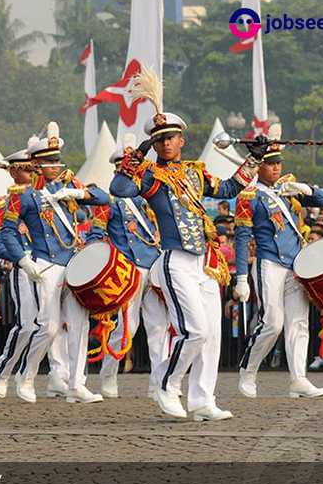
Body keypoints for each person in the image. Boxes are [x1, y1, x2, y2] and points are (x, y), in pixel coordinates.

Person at [110, 67, 263, 421]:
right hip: (174, 261)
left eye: (170, 137)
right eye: (159, 138)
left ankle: (202, 400)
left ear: (182, 141)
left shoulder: (195, 172)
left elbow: (226, 188)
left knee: (211, 335)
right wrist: (135, 160)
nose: (165, 143)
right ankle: (166, 385)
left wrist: (253, 159)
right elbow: (118, 191)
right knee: (192, 330)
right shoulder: (151, 176)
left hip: (205, 262)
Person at [0, 122, 110, 404]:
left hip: (71, 263)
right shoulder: (21, 195)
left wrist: (80, 194)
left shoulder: (70, 184)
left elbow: (104, 198)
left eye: (57, 159)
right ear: (35, 164)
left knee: (78, 324)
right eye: (49, 161)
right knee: (48, 327)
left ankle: (76, 383)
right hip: (44, 264)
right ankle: (26, 375)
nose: (55, 165)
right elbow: (8, 232)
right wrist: (23, 261)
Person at [234, 126, 323, 399]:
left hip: (294, 265)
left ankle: (298, 378)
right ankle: (249, 370)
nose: (276, 168)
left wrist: (304, 188)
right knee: (272, 323)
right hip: (269, 263)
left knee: (299, 322)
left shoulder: (287, 187)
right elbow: (241, 237)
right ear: (259, 167)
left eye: (278, 163)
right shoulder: (249, 196)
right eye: (270, 163)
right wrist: (242, 277)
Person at [86, 141, 169, 400]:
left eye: (136, 163)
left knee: (159, 327)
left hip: (154, 265)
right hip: (128, 270)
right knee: (126, 328)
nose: (134, 167)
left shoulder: (149, 192)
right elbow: (96, 235)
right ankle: (108, 374)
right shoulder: (109, 199)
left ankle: (158, 383)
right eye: (129, 163)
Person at [0, 147, 37, 399]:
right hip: (25, 266)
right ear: (13, 171)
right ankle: (4, 370)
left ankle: (54, 379)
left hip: (49, 264)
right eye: (26, 169)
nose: (32, 174)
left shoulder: (46, 198)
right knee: (27, 325)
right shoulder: (2, 204)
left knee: (54, 328)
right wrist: (20, 256)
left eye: (33, 168)